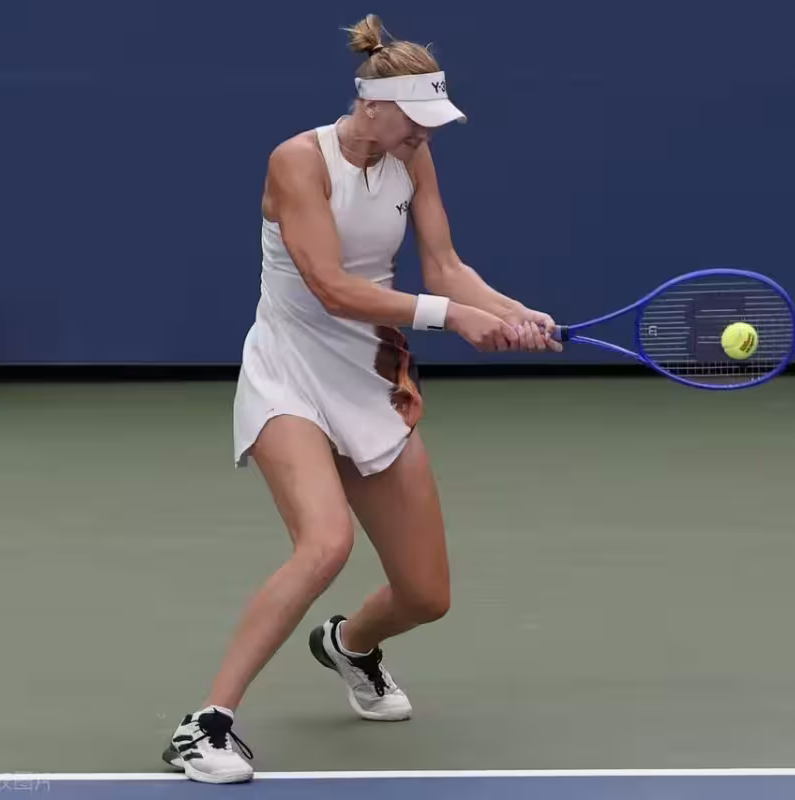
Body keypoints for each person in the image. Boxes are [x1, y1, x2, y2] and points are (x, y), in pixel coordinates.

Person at [162, 13, 561, 784]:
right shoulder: (297, 161)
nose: (426, 136)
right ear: (372, 106)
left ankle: (347, 646)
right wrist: (456, 318)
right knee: (325, 543)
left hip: (369, 377)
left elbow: (446, 268)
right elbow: (332, 288)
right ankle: (204, 725)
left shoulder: (412, 158)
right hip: (288, 372)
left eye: (432, 125)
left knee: (426, 594)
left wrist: (513, 312)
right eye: (416, 122)